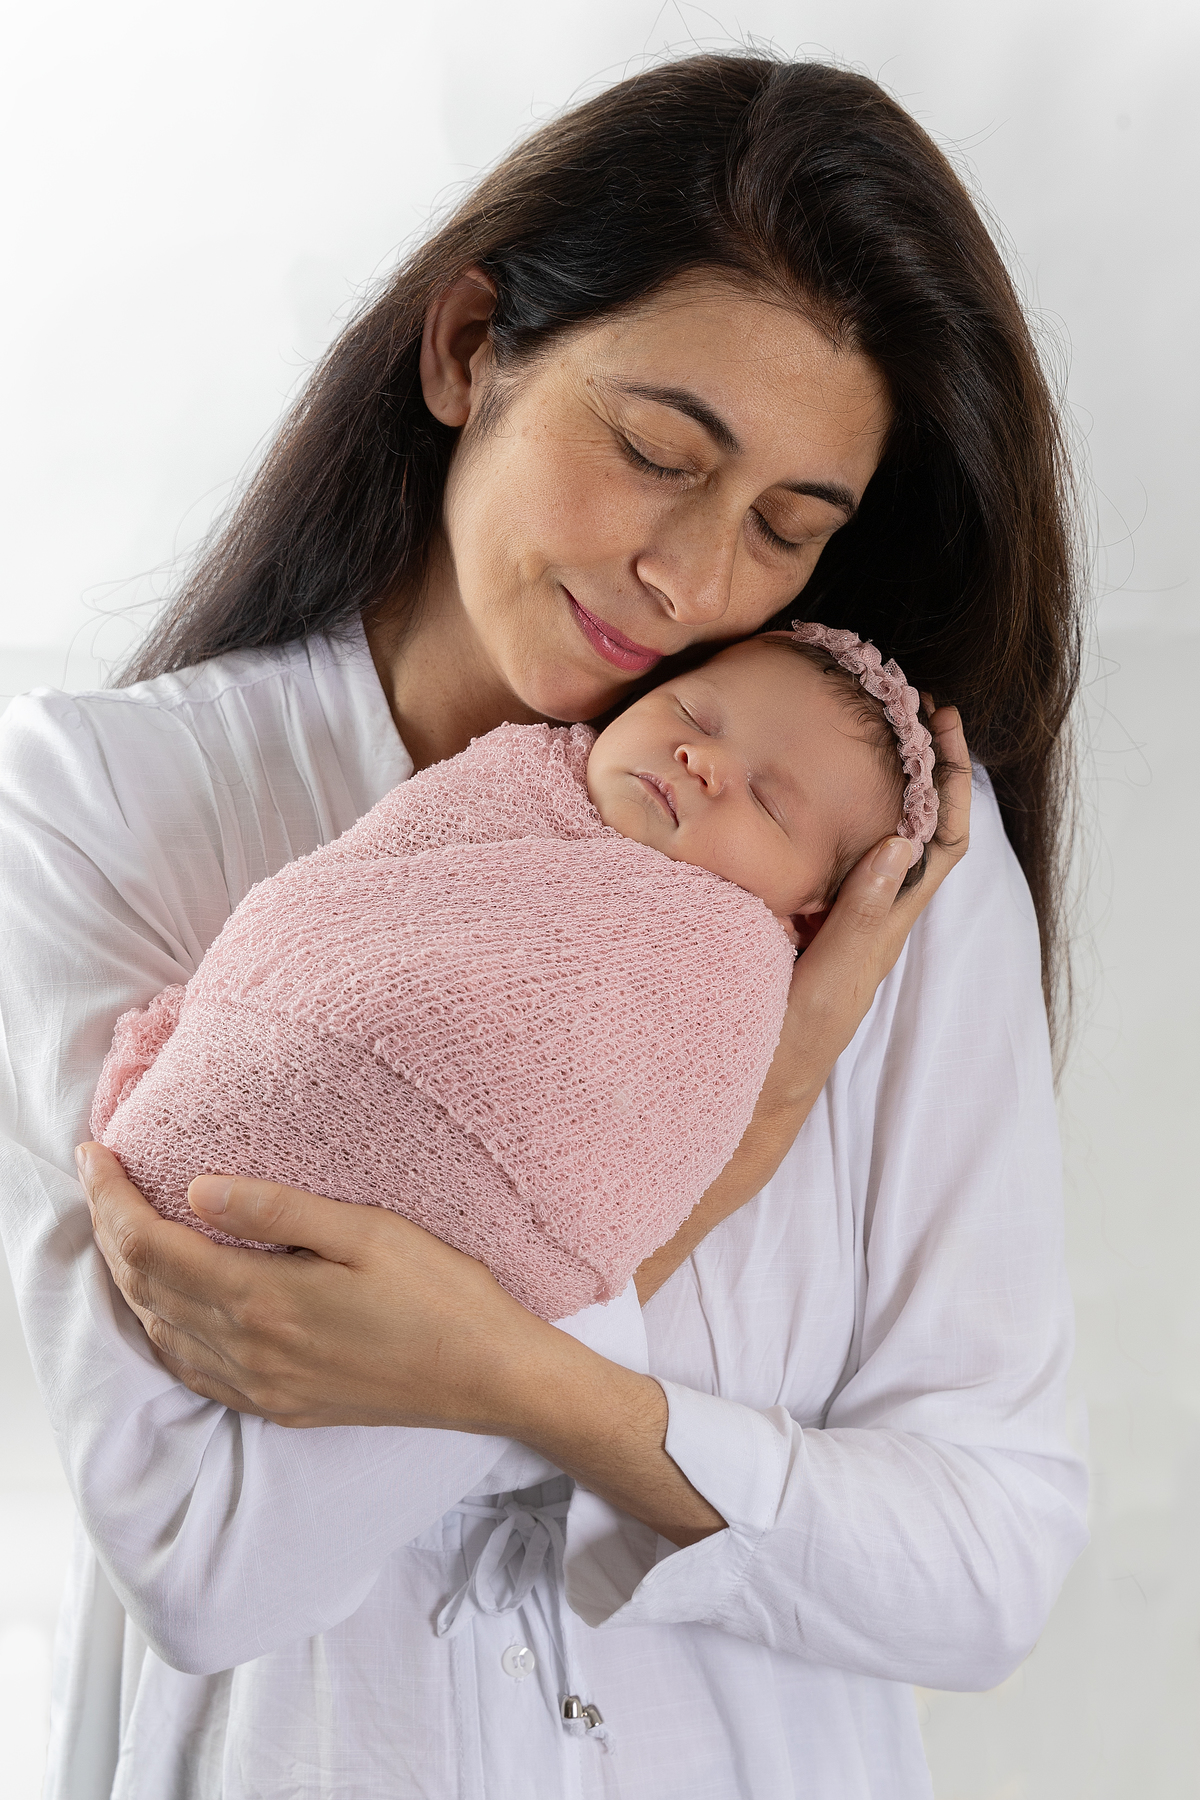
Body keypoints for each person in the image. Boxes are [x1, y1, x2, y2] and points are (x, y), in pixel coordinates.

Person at [0, 53, 1088, 1800]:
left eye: (785, 532)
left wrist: (527, 1377)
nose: (694, 583)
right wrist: (732, 1156)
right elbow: (209, 1563)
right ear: (466, 349)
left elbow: (988, 1564)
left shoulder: (868, 877)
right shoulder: (109, 809)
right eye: (657, 452)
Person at [93, 627, 942, 1322]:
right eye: (693, 713)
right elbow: (345, 896)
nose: (702, 761)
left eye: (767, 802)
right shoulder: (518, 778)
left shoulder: (733, 964)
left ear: (811, 914)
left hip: (456, 1236)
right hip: (255, 1080)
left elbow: (623, 1145)